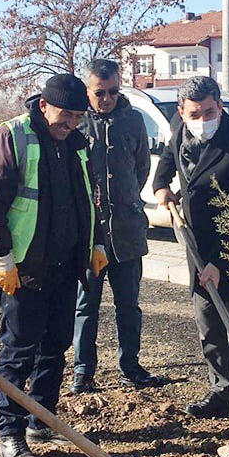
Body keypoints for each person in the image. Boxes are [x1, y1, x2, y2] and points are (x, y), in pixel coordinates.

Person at [0, 74, 107, 457]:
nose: (70, 125)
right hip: (25, 268)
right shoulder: (11, 138)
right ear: (44, 106)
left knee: (57, 344)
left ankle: (42, 419)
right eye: (65, 116)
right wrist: (1, 255)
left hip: (67, 264)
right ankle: (9, 433)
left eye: (78, 118)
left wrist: (95, 243)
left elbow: (89, 197)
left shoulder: (77, 143)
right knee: (18, 350)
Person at [152, 75, 229, 423]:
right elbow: (167, 159)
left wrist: (220, 261)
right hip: (196, 240)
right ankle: (220, 388)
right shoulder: (181, 125)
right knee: (208, 320)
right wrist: (161, 187)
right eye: (195, 114)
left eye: (209, 111)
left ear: (220, 105)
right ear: (182, 111)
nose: (203, 120)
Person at [70, 59, 160, 394]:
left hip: (127, 231)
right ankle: (83, 371)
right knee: (86, 305)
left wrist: (124, 199)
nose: (105, 98)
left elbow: (140, 168)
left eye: (112, 91)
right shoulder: (77, 123)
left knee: (129, 303)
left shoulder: (133, 120)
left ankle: (130, 366)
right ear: (88, 90)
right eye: (99, 92)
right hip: (89, 234)